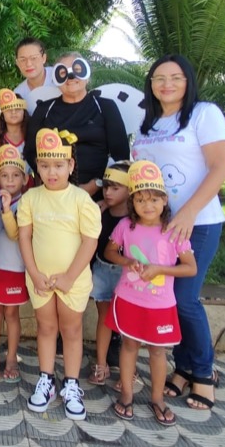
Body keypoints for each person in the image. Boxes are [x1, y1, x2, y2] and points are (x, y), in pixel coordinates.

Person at [132, 54, 225, 411]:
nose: (167, 84)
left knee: (187, 299)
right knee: (171, 299)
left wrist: (188, 212)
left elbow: (220, 169)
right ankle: (184, 367)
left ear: (188, 81)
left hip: (198, 223)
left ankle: (204, 373)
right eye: (159, 78)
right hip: (160, 228)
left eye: (175, 77)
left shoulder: (204, 114)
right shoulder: (148, 124)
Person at [104, 161, 197, 426]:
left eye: (154, 199)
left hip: (161, 304)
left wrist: (160, 268)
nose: (148, 205)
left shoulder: (174, 230)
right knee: (129, 346)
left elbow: (190, 267)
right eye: (141, 200)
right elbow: (110, 252)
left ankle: (157, 399)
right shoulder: (125, 227)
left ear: (165, 200)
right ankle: (126, 395)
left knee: (158, 351)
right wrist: (126, 261)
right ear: (132, 202)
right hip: (129, 299)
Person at [18, 128, 101, 421]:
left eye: (58, 165)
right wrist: (34, 272)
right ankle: (46, 378)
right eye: (44, 165)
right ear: (37, 166)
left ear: (71, 165)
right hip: (40, 278)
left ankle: (72, 383)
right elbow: (24, 238)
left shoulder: (81, 200)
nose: (51, 172)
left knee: (72, 329)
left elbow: (90, 241)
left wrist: (68, 277)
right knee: (46, 328)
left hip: (72, 280)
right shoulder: (30, 199)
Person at [25, 53, 129, 197]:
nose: (71, 77)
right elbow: (31, 152)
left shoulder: (105, 107)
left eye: (77, 70)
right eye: (63, 73)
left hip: (99, 196)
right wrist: (54, 181)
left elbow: (121, 155)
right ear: (56, 79)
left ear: (87, 75)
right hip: (53, 195)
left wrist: (97, 184)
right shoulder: (44, 109)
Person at [0, 145, 28, 383]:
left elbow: (14, 234)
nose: (10, 180)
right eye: (4, 175)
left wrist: (6, 208)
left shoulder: (27, 202)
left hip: (16, 268)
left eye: (15, 175)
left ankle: (11, 357)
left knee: (12, 314)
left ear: (24, 178)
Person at [87, 161, 131, 389]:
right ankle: (101, 363)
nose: (108, 192)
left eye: (115, 188)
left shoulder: (135, 220)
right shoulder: (99, 211)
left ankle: (128, 370)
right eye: (106, 187)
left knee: (126, 321)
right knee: (105, 319)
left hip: (126, 273)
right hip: (103, 271)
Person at [0, 89, 30, 183]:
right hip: (4, 189)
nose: (13, 112)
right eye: (9, 109)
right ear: (3, 114)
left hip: (29, 189)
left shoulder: (31, 138)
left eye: (17, 108)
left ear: (24, 112)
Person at [13, 37, 55, 102]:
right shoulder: (18, 95)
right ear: (17, 63)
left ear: (43, 58)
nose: (28, 64)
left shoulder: (60, 76)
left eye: (33, 58)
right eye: (23, 60)